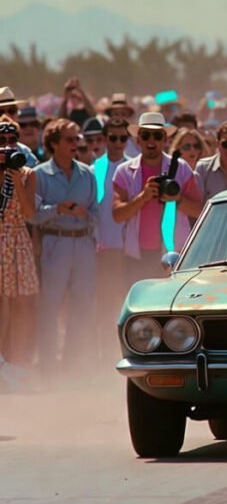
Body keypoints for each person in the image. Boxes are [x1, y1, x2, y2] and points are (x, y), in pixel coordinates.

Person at [32, 118, 98, 377]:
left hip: (83, 244)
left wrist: (85, 214)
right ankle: (48, 368)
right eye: (70, 139)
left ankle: (74, 369)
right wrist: (56, 209)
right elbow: (32, 215)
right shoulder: (40, 175)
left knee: (82, 308)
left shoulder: (87, 174)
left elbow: (97, 213)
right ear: (54, 143)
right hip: (54, 243)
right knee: (50, 307)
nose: (76, 144)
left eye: (77, 139)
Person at [113, 112, 202, 283]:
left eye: (157, 135)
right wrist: (143, 197)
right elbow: (117, 215)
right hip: (136, 256)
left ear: (165, 140)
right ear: (138, 140)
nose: (151, 141)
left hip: (173, 256)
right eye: (145, 135)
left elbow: (198, 210)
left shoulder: (182, 169)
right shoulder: (123, 171)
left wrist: (177, 199)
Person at [0, 116, 39, 369]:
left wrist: (15, 179)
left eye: (12, 140)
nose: (7, 145)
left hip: (18, 239)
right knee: (1, 303)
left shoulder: (28, 174)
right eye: (1, 140)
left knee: (22, 304)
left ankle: (18, 363)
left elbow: (29, 213)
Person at [93, 116, 130, 360]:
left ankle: (123, 352)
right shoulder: (94, 168)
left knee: (123, 305)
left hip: (127, 249)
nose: (118, 143)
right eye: (113, 138)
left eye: (123, 138)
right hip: (101, 249)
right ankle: (102, 355)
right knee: (103, 306)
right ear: (105, 139)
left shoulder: (131, 168)